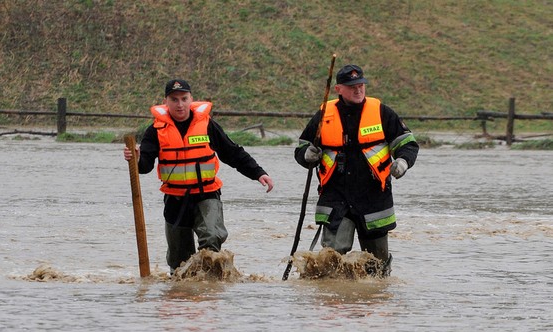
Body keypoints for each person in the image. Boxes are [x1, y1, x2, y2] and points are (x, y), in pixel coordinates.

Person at [123, 79, 274, 272]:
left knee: (211, 239)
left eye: (184, 99)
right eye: (174, 99)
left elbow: (232, 152)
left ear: (191, 99)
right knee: (179, 261)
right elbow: (145, 167)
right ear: (166, 101)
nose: (180, 104)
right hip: (175, 199)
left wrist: (258, 173)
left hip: (207, 194)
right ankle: (182, 295)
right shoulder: (155, 131)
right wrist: (135, 159)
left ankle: (209, 290)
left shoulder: (207, 124)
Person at [294, 63, 418, 273]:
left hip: (374, 199)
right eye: (352, 86)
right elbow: (303, 147)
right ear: (338, 89)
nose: (358, 89)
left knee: (377, 266)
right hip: (336, 198)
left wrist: (403, 162)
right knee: (331, 260)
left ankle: (373, 301)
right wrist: (307, 155)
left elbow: (407, 143)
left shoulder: (381, 112)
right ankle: (332, 300)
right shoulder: (324, 115)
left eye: (361, 85)